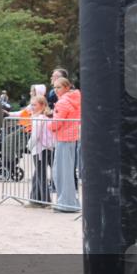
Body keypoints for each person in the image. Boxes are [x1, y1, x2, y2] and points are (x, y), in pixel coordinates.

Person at [50, 77, 81, 212]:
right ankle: (69, 202)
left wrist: (48, 125)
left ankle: (66, 203)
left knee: (61, 172)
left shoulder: (62, 102)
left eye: (59, 87)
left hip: (63, 138)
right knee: (66, 172)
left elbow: (56, 124)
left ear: (67, 87)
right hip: (71, 137)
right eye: (55, 87)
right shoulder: (75, 99)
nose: (56, 90)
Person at [28, 95, 55, 206]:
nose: (32, 107)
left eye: (34, 105)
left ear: (42, 105)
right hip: (46, 148)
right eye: (32, 104)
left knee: (41, 175)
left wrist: (28, 146)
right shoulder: (44, 116)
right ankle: (35, 198)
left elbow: (35, 135)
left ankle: (45, 200)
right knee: (38, 174)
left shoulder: (38, 118)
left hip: (39, 149)